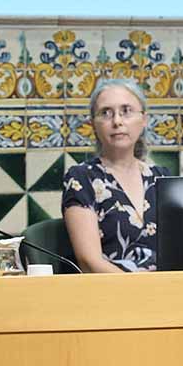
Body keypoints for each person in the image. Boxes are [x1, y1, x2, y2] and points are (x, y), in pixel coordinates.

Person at [62, 78, 170, 272]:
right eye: (106, 113)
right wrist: (138, 292)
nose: (117, 121)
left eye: (126, 111)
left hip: (167, 290)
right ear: (93, 124)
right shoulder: (81, 178)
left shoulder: (161, 177)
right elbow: (89, 261)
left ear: (144, 120)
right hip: (111, 292)